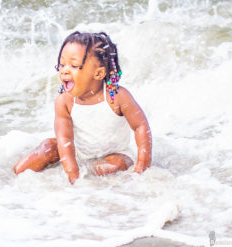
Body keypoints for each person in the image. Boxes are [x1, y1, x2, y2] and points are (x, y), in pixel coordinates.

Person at [14, 31, 152, 184]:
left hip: (115, 153)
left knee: (117, 164)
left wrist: (142, 164)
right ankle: (11, 179)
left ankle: (89, 176)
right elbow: (64, 139)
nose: (65, 70)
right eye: (62, 64)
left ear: (99, 73)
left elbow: (140, 126)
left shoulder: (116, 97)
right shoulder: (65, 101)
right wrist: (72, 172)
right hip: (79, 152)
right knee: (47, 147)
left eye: (74, 65)